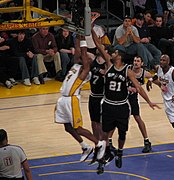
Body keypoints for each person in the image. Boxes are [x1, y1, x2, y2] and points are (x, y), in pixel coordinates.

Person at [92, 27, 160, 169]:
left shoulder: (127, 71)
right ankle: (104, 155)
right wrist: (91, 27)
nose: (112, 53)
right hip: (109, 105)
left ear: (120, 56)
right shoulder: (109, 65)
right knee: (105, 132)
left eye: (115, 52)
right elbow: (98, 45)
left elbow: (139, 88)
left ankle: (120, 152)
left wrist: (149, 101)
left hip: (122, 105)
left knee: (122, 133)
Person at [54, 34, 106, 163]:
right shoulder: (76, 65)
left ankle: (99, 143)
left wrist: (83, 40)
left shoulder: (85, 71)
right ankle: (85, 147)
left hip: (72, 100)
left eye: (88, 58)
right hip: (62, 99)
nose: (85, 57)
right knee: (67, 127)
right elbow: (78, 52)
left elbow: (82, 52)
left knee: (78, 128)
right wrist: (77, 36)